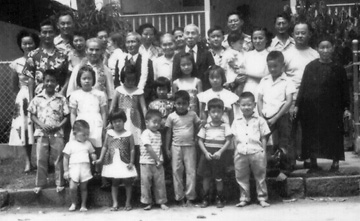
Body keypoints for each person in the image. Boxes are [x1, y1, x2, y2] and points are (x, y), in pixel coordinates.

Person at [294, 36, 350, 171]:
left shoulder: (338, 68)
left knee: (334, 134)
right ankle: (313, 162)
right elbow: (303, 87)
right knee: (312, 134)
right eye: (322, 47)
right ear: (317, 49)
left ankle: (335, 162)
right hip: (312, 108)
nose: (325, 50)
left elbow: (344, 90)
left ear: (332, 49)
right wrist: (297, 105)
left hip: (333, 108)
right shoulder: (310, 67)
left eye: (328, 47)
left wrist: (346, 108)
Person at [28, 69, 69, 194]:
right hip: (41, 133)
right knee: (41, 158)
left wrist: (59, 125)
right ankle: (40, 183)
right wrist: (41, 124)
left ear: (56, 83)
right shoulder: (37, 98)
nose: (49, 83)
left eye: (52, 81)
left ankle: (59, 182)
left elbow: (67, 116)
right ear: (43, 82)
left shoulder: (61, 99)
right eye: (47, 81)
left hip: (57, 133)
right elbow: (32, 114)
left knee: (58, 158)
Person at [283, 21, 319, 166]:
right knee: (291, 129)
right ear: (293, 35)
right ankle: (290, 161)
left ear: (309, 34)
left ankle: (311, 159)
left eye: (303, 33)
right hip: (291, 97)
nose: (300, 35)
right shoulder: (286, 54)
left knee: (310, 129)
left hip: (310, 98)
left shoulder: (314, 54)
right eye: (297, 33)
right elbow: (282, 77)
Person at [257, 51, 295, 171]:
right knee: (261, 141)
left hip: (281, 115)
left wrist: (276, 118)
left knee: (284, 141)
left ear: (282, 66)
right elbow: (259, 99)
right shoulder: (264, 80)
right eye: (270, 67)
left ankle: (286, 168)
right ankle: (263, 166)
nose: (272, 69)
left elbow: (289, 102)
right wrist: (261, 116)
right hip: (266, 115)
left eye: (275, 66)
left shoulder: (287, 81)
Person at [232, 92, 270, 208]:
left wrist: (263, 151)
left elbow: (264, 137)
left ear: (254, 105)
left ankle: (262, 198)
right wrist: (235, 151)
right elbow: (234, 137)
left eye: (249, 105)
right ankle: (244, 198)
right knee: (241, 176)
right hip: (241, 151)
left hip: (256, 151)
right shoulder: (236, 120)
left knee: (260, 176)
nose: (246, 107)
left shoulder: (260, 120)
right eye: (243, 105)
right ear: (239, 105)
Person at [9, 30, 40, 173]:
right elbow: (14, 85)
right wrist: (23, 96)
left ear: (35, 44)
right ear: (21, 45)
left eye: (30, 43)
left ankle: (42, 160)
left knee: (40, 127)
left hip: (40, 94)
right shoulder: (16, 63)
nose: (28, 46)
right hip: (24, 97)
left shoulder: (40, 59)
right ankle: (28, 162)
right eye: (24, 43)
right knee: (25, 128)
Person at [95, 110, 137, 211]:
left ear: (124, 121)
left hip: (125, 161)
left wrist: (131, 162)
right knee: (115, 182)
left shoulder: (128, 134)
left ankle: (128, 202)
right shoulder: (109, 133)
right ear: (111, 123)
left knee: (127, 182)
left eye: (119, 121)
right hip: (113, 161)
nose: (117, 124)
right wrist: (101, 158)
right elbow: (105, 146)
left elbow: (132, 149)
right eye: (114, 122)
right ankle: (115, 203)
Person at [165, 90, 201, 206]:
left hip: (190, 146)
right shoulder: (171, 116)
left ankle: (190, 197)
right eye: (178, 103)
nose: (181, 106)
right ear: (174, 104)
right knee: (176, 171)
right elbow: (168, 133)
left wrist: (196, 138)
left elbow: (197, 126)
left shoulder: (193, 114)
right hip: (176, 147)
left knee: (191, 172)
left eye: (184, 103)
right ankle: (179, 197)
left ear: (188, 104)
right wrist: (167, 148)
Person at [197, 98, 232, 208]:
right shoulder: (205, 126)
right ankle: (205, 198)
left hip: (219, 155)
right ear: (209, 113)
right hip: (207, 154)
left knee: (219, 178)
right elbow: (200, 141)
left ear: (223, 112)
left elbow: (228, 140)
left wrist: (220, 152)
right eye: (213, 112)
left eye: (219, 112)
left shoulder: (225, 126)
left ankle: (219, 198)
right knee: (206, 177)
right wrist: (206, 153)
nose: (216, 114)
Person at [110, 65, 147, 165]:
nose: (131, 83)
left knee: (135, 143)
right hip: (122, 120)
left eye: (133, 80)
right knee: (122, 142)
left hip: (135, 121)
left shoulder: (138, 91)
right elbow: (113, 107)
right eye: (128, 80)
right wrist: (110, 122)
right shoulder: (119, 90)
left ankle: (135, 168)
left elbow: (143, 108)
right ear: (123, 78)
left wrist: (146, 122)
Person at [23, 19, 69, 96]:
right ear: (40, 34)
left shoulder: (63, 54)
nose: (47, 35)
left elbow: (68, 76)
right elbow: (30, 79)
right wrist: (31, 99)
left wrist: (62, 93)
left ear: (54, 33)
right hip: (39, 97)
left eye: (50, 32)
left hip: (58, 97)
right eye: (44, 32)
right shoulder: (33, 55)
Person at [69, 65, 107, 152]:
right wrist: (74, 127)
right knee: (80, 148)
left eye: (89, 78)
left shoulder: (99, 94)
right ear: (79, 80)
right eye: (84, 78)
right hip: (81, 124)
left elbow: (103, 112)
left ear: (93, 79)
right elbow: (73, 113)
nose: (87, 81)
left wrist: (104, 127)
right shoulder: (75, 95)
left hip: (96, 124)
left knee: (95, 149)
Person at [63, 120, 97, 212]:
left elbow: (92, 153)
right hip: (74, 168)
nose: (86, 137)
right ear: (75, 133)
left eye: (87, 134)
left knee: (84, 187)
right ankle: (73, 203)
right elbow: (65, 158)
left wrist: (94, 158)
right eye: (84, 135)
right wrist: (66, 171)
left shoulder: (88, 144)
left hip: (84, 168)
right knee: (72, 187)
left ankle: (83, 204)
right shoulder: (70, 144)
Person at [140, 110, 169, 210]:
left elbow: (159, 148)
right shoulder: (145, 133)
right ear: (147, 122)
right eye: (154, 122)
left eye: (159, 122)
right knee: (146, 183)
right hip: (146, 162)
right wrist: (157, 159)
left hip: (157, 163)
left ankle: (161, 201)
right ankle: (147, 202)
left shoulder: (158, 134)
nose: (157, 124)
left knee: (160, 182)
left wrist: (160, 159)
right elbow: (149, 148)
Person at [172, 24, 215, 90]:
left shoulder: (207, 54)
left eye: (193, 33)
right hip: (183, 91)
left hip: (204, 90)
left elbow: (212, 73)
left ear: (199, 36)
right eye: (187, 33)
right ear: (183, 36)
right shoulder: (178, 56)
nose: (190, 36)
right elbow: (175, 77)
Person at [115, 32, 154, 102]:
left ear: (139, 43)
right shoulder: (120, 61)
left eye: (133, 42)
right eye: (128, 42)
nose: (130, 45)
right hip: (124, 98)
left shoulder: (147, 61)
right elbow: (117, 81)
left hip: (142, 98)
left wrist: (139, 97)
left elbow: (149, 83)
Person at [243, 27, 272, 100]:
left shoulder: (269, 56)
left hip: (263, 89)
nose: (257, 41)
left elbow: (266, 76)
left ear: (266, 39)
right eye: (255, 38)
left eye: (260, 38)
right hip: (248, 88)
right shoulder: (246, 55)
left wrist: (246, 73)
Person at [221, 31, 247, 96]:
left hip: (241, 75)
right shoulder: (229, 52)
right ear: (232, 44)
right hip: (232, 75)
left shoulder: (242, 52)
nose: (242, 45)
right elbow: (230, 62)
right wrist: (235, 67)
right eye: (240, 43)